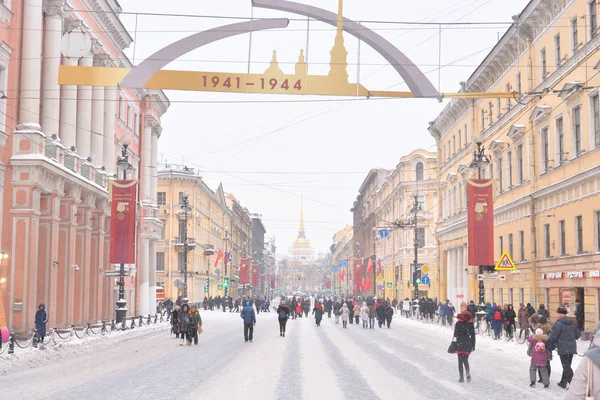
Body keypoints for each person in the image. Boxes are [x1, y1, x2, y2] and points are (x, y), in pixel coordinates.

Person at [547, 306, 580, 388]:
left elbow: (554, 336)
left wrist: (549, 344)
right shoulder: (573, 323)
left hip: (563, 347)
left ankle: (574, 385)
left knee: (566, 366)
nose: (557, 315)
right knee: (567, 365)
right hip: (572, 346)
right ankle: (563, 382)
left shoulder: (558, 324)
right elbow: (577, 335)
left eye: (557, 313)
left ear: (560, 314)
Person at [566, 326, 600, 399]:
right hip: (569, 347)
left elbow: (574, 396)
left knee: (566, 365)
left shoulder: (590, 360)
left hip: (565, 348)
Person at [453, 302, 475, 383]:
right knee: (465, 360)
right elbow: (473, 335)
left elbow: (455, 334)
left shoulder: (458, 323)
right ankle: (468, 373)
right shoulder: (470, 323)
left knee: (460, 361)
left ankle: (461, 377)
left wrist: (454, 344)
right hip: (467, 343)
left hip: (460, 343)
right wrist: (473, 345)